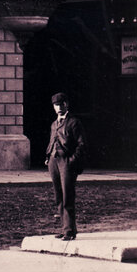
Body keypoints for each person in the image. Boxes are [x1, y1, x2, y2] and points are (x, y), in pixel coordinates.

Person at [45, 91, 87, 240]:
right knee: (58, 196)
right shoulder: (53, 124)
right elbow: (52, 141)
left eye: (61, 104)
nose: (59, 107)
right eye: (56, 105)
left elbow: (82, 145)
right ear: (54, 107)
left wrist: (72, 161)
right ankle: (65, 229)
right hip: (53, 162)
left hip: (66, 163)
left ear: (67, 104)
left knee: (68, 195)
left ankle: (69, 231)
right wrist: (48, 156)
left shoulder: (74, 122)